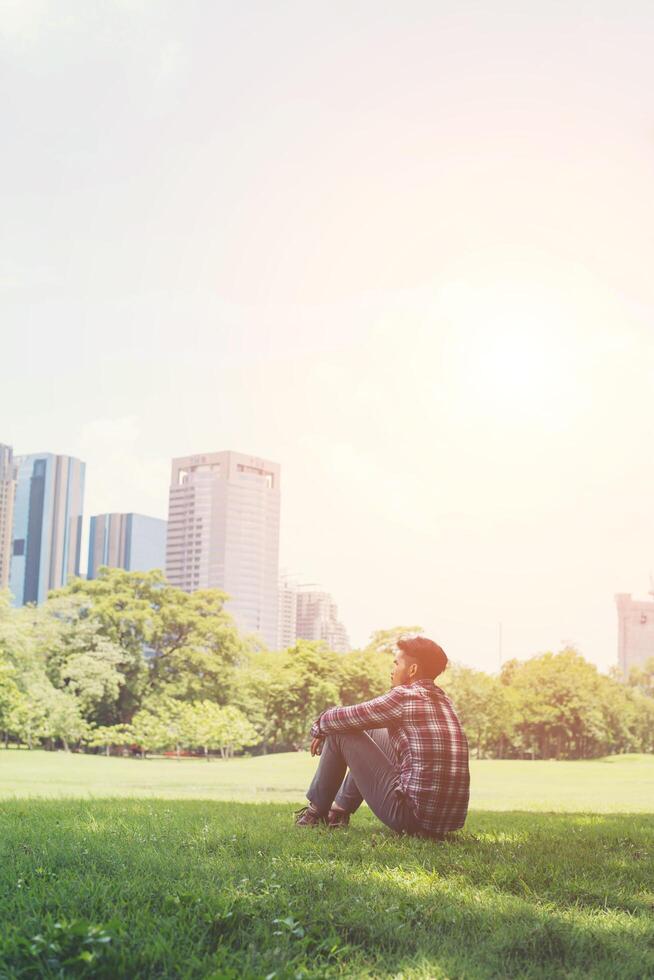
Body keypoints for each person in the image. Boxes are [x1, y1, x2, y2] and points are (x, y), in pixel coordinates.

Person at [295, 636, 469, 839]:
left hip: (410, 817)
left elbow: (343, 718)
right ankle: (339, 810)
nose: (392, 670)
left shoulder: (404, 697)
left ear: (412, 670)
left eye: (396, 664)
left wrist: (320, 726)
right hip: (445, 821)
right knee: (372, 731)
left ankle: (315, 814)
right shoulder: (445, 702)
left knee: (340, 730)